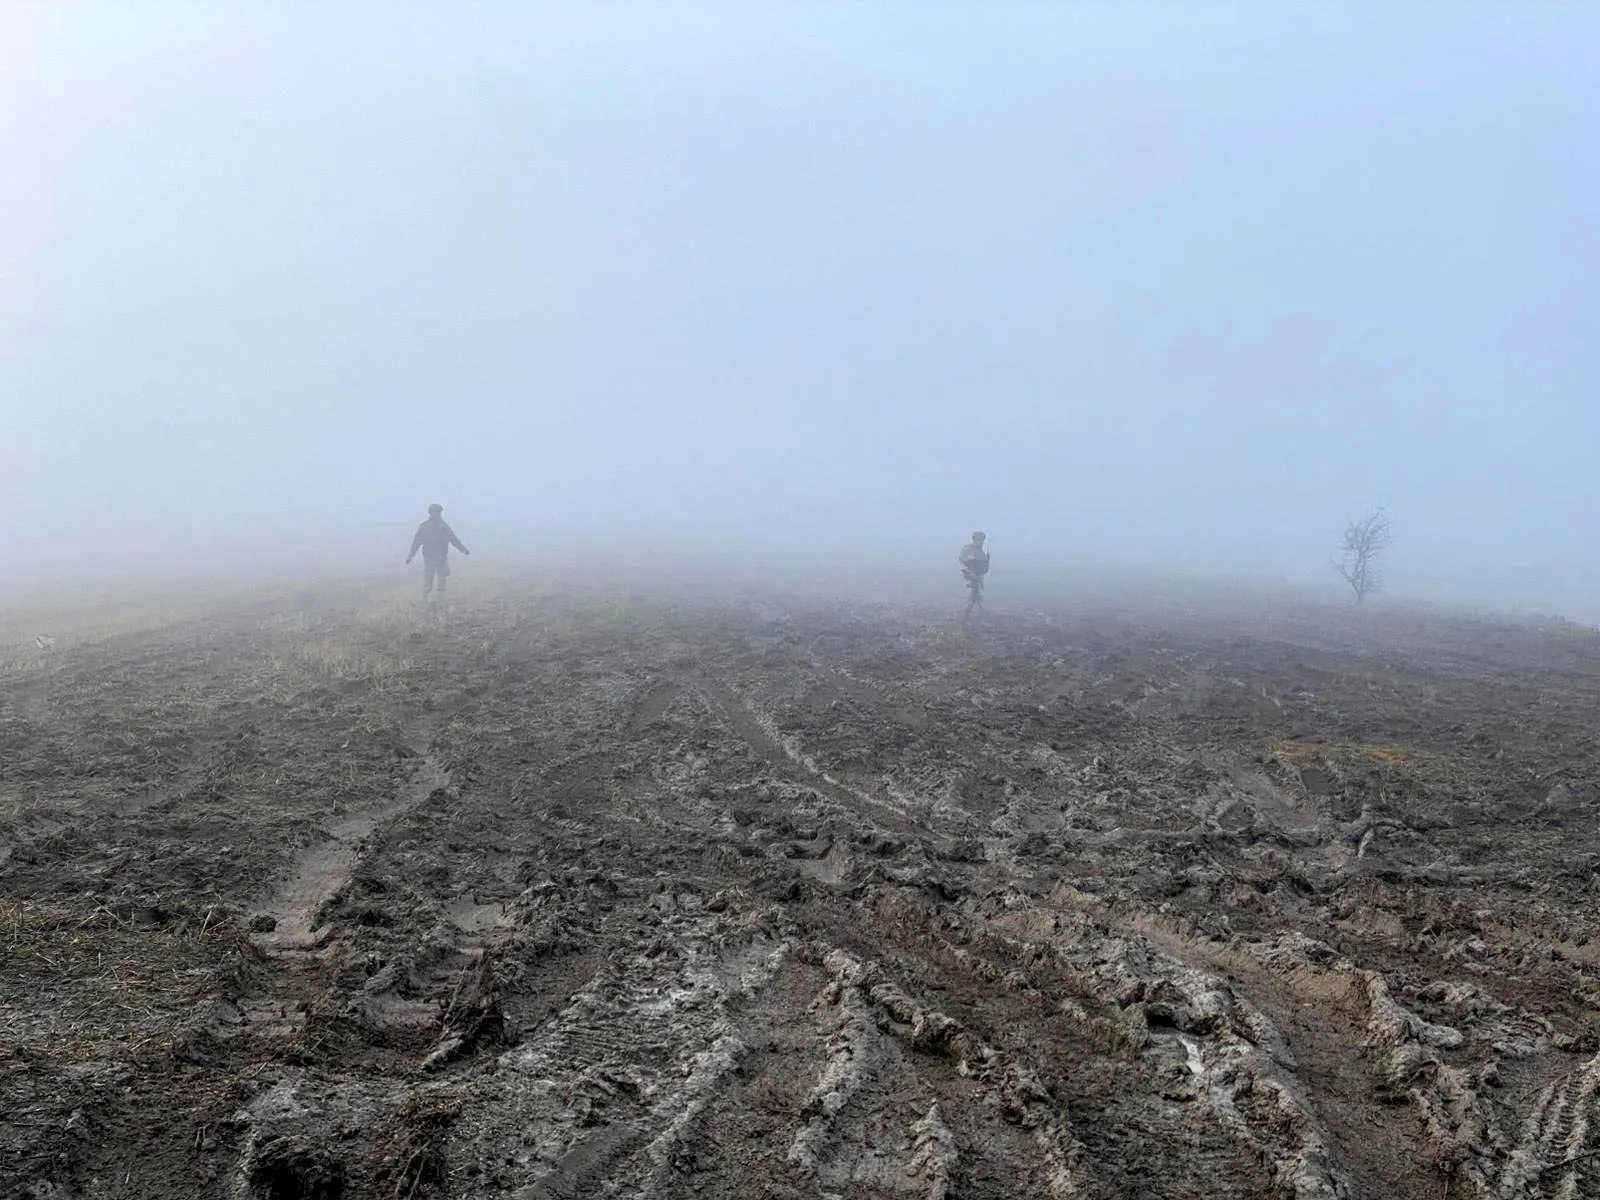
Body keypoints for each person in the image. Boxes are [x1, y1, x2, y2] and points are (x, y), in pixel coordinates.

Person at [406, 503, 470, 601]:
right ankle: (425, 599)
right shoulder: (424, 526)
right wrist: (410, 556)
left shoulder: (444, 527)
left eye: (438, 512)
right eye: (435, 512)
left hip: (441, 557)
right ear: (430, 513)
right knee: (428, 579)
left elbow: (453, 540)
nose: (437, 514)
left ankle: (441, 600)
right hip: (429, 557)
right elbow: (416, 542)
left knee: (442, 578)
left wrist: (464, 550)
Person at [959, 531, 989, 617]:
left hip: (978, 575)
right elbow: (962, 558)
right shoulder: (969, 548)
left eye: (981, 539)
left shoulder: (981, 550)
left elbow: (984, 563)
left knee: (977, 594)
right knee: (974, 595)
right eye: (978, 539)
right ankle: (968, 614)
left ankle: (974, 612)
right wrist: (970, 560)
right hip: (972, 575)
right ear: (974, 539)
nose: (980, 541)